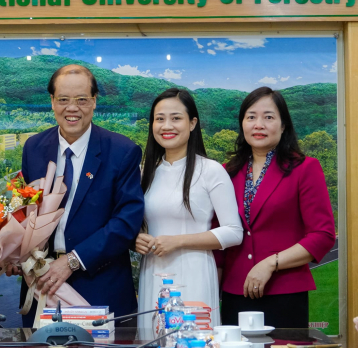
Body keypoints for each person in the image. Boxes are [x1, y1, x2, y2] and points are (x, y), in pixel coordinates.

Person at [14, 64, 145, 326]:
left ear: (94, 102)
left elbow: (126, 220)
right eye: (63, 100)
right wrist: (14, 253)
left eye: (82, 100)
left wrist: (73, 261)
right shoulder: (34, 147)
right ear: (52, 102)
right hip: (43, 283)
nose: (72, 108)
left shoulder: (122, 151)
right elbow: (25, 211)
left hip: (100, 282)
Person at [219, 87, 335, 328]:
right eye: (251, 117)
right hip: (234, 292)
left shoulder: (305, 168)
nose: (258, 124)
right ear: (242, 124)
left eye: (268, 117)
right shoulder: (225, 172)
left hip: (285, 294)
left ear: (283, 126)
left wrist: (271, 263)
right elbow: (219, 236)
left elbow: (322, 236)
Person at [135, 88, 242, 334]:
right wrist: (135, 240)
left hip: (195, 272)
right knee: (153, 336)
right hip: (153, 273)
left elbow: (234, 232)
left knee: (194, 338)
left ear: (193, 123)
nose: (166, 125)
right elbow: (136, 224)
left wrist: (178, 241)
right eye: (159, 119)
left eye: (176, 118)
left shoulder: (211, 171)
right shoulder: (143, 172)